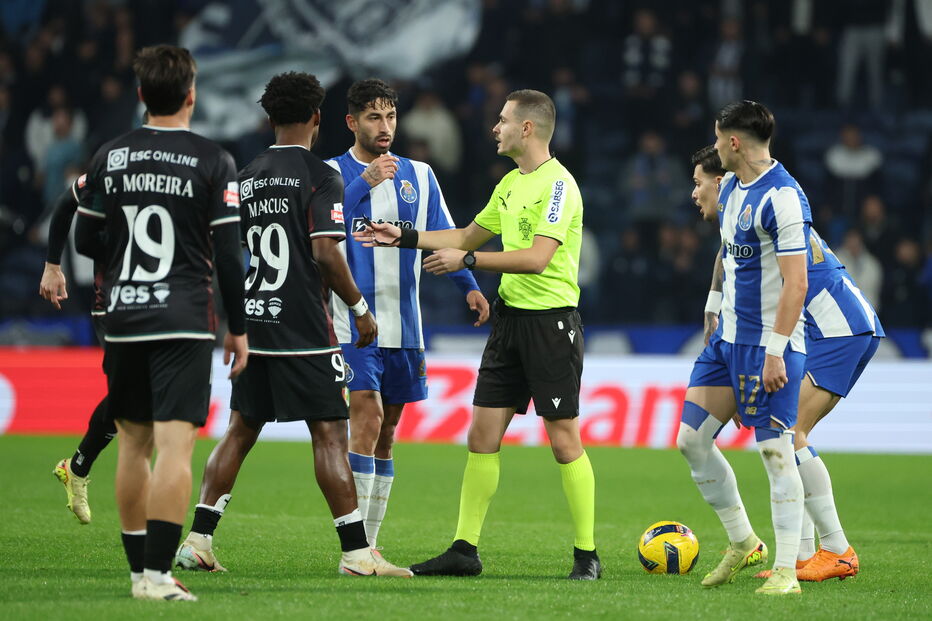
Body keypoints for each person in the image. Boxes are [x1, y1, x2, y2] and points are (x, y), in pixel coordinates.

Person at [174, 72, 411, 577]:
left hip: (256, 322)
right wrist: (361, 310)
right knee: (329, 432)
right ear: (318, 119)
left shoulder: (248, 174)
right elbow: (326, 252)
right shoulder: (319, 175)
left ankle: (197, 542)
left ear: (269, 118)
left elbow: (230, 256)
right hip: (304, 325)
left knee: (239, 430)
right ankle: (356, 554)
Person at [356, 89, 599, 580]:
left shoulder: (558, 186)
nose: (495, 127)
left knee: (563, 439)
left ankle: (586, 555)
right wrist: (401, 235)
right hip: (509, 322)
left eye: (503, 120)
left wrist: (467, 262)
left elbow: (536, 259)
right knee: (481, 435)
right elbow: (466, 235)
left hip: (551, 323)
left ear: (527, 128)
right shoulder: (511, 183)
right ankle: (465, 550)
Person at [74, 44, 248, 602]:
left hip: (124, 315)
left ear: (142, 95)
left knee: (132, 446)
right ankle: (156, 577)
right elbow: (228, 256)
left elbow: (84, 239)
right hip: (184, 319)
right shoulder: (212, 159)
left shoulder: (111, 155)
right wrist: (238, 328)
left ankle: (136, 576)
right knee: (175, 449)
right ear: (192, 95)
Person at [692, 143, 884, 584]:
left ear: (722, 183)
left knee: (789, 432)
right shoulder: (742, 221)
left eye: (699, 182)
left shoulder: (763, 209)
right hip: (827, 327)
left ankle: (836, 549)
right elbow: (725, 258)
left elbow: (786, 282)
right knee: (787, 435)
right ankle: (802, 556)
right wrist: (712, 311)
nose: (695, 192)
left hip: (836, 327)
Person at [325, 79, 489, 549]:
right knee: (367, 414)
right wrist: (365, 182)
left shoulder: (420, 175)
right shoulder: (332, 173)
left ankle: (370, 543)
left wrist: (470, 287)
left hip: (405, 323)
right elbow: (318, 220)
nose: (385, 127)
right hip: (351, 323)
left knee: (388, 432)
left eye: (391, 116)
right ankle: (353, 546)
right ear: (352, 122)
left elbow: (445, 234)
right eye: (374, 117)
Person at [675, 101, 808, 596]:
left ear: (733, 142)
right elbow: (728, 248)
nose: (713, 147)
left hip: (768, 348)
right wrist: (713, 302)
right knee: (691, 440)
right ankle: (744, 541)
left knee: (775, 452)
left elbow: (796, 285)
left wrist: (776, 351)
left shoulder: (785, 200)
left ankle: (788, 573)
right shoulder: (730, 186)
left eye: (716, 138)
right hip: (726, 342)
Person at [40, 182, 114, 525]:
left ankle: (77, 466)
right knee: (135, 398)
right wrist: (52, 264)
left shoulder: (182, 167)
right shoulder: (111, 165)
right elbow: (65, 202)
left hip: (161, 306)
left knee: (135, 399)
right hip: (113, 305)